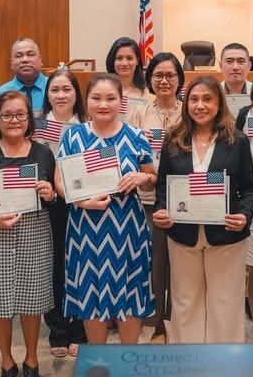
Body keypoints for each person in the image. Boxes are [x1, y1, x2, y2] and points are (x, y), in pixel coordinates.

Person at [153, 75, 253, 344]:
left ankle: (223, 365)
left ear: (219, 103)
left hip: (226, 236)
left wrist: (244, 216)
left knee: (225, 304)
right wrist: (162, 210)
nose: (200, 105)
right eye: (195, 99)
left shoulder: (237, 141)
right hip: (182, 235)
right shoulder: (173, 140)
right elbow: (164, 186)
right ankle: (188, 363)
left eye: (207, 99)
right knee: (186, 302)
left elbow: (249, 188)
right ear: (186, 103)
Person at [55, 73, 157, 345]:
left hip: (128, 229)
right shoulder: (73, 137)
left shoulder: (135, 136)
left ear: (121, 101)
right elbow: (60, 182)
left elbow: (152, 176)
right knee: (91, 293)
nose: (103, 104)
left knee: (130, 294)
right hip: (85, 228)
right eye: (96, 98)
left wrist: (142, 178)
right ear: (86, 102)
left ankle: (128, 359)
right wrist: (80, 201)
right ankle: (97, 358)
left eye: (111, 98)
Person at [0, 90, 58, 377]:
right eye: (7, 115)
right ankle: (6, 360)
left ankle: (31, 359)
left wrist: (50, 193)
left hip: (35, 232)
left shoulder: (42, 152)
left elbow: (55, 197)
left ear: (30, 119)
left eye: (21, 114)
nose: (14, 120)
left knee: (33, 301)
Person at [126, 51, 185, 343]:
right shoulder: (139, 113)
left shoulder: (188, 111)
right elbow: (130, 155)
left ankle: (176, 322)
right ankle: (156, 322)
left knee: (179, 263)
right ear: (150, 79)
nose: (164, 80)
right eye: (158, 75)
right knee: (154, 261)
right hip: (148, 198)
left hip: (183, 200)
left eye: (170, 75)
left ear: (179, 79)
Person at [39, 68, 88, 357]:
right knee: (54, 267)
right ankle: (57, 328)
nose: (60, 95)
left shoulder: (87, 125)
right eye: (54, 90)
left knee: (80, 266)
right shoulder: (36, 126)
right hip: (49, 206)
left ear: (75, 94)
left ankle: (80, 328)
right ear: (47, 95)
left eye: (66, 89)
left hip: (82, 205)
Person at [0, 38, 48, 109]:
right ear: (12, 63)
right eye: (19, 56)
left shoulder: (57, 88)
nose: (25, 60)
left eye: (30, 54)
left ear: (40, 60)